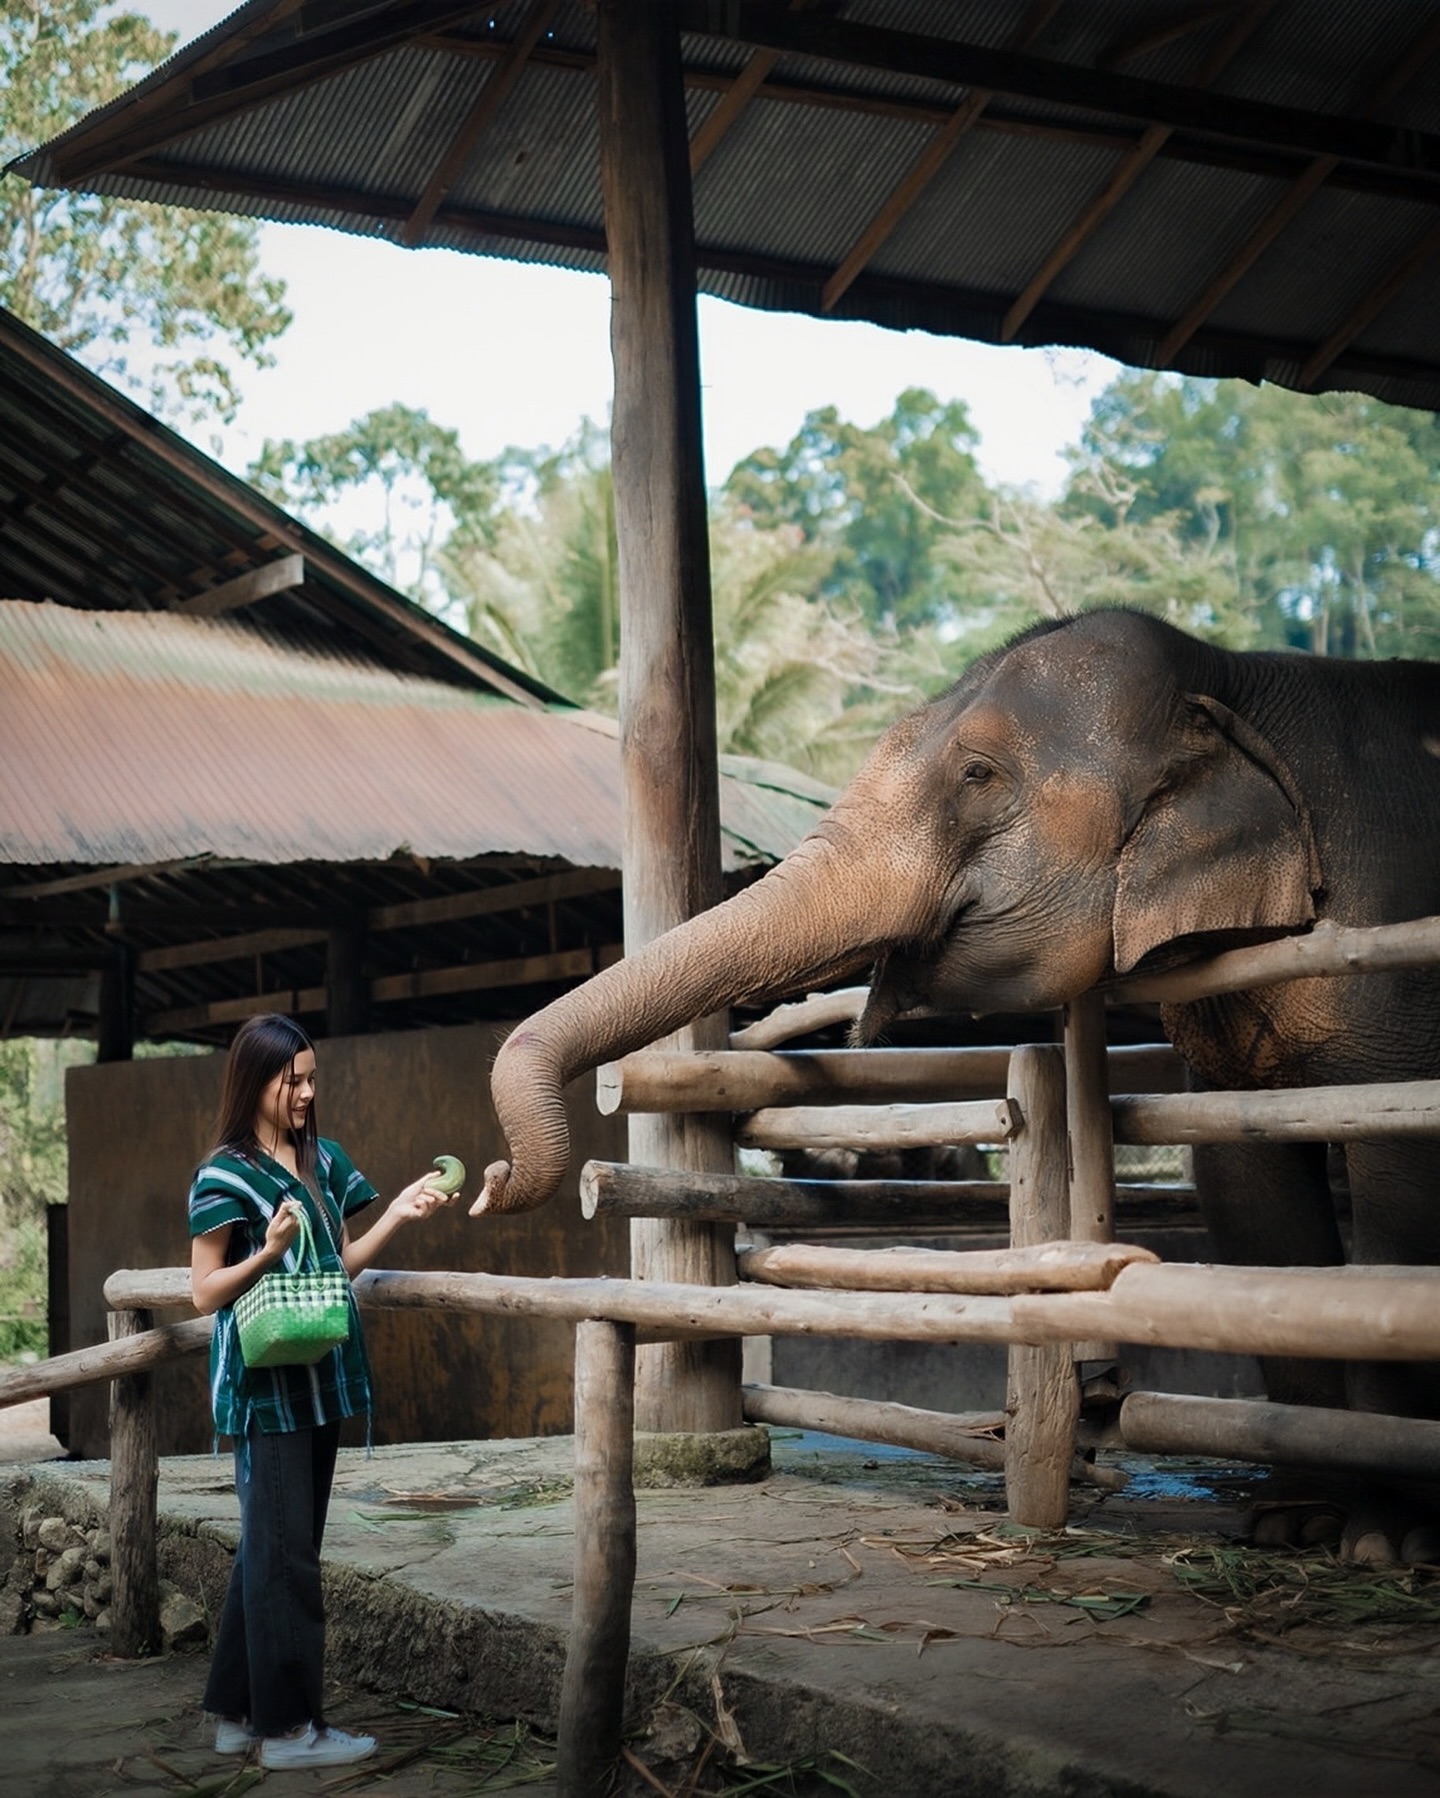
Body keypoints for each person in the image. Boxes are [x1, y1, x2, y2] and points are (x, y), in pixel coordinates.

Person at [188, 1013, 455, 1771]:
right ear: (255, 1081)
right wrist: (267, 1253)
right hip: (265, 1390)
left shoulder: (322, 1161)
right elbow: (204, 1293)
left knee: (275, 1550)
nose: (306, 1092)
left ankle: (240, 1714)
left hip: (323, 1378)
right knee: (285, 1561)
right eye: (291, 1080)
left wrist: (398, 1213)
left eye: (311, 1078)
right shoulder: (224, 1175)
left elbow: (340, 1262)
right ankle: (290, 1731)